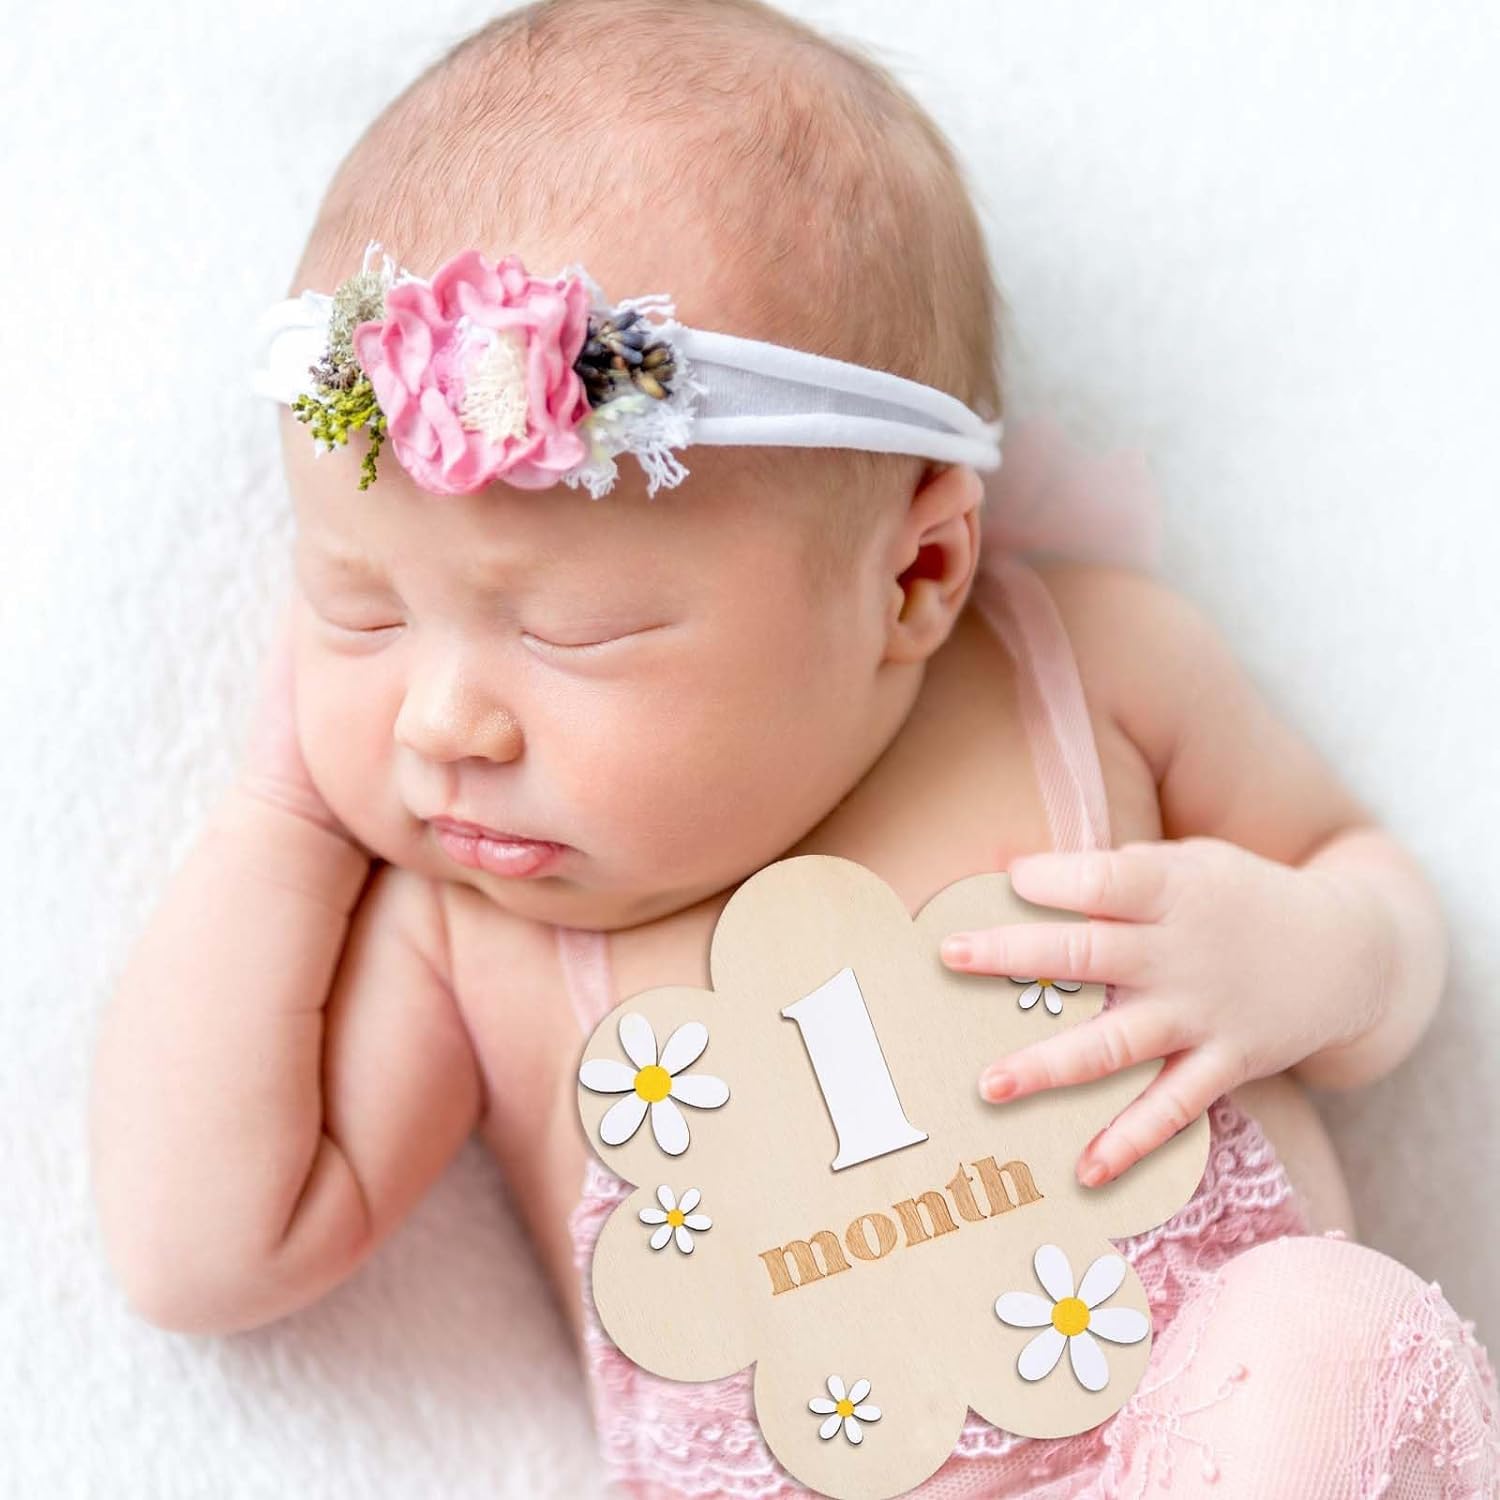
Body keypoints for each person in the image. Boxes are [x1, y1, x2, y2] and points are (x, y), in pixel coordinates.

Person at [88, 1, 1500, 1494]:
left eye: (571, 635)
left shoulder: (1082, 670)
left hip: (1217, 1438)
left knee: (1324, 1339)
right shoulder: (476, 929)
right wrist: (285, 816)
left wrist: (1321, 955)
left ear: (913, 579)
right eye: (359, 609)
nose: (443, 721)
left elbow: (1381, 903)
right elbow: (204, 1252)